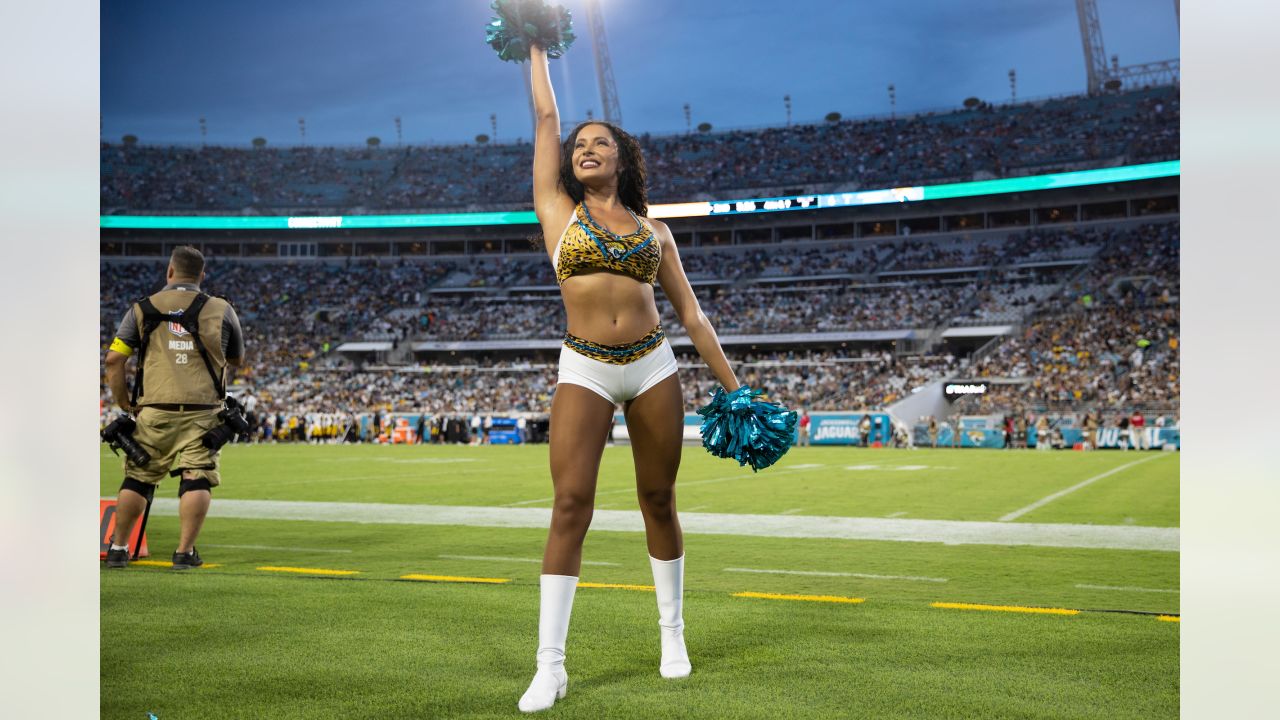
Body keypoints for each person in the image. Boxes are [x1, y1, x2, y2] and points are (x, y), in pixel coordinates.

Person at [516, 44, 741, 713]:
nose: (585, 148)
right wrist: (533, 43)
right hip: (584, 365)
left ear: (621, 157)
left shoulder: (656, 230)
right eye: (579, 144)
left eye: (599, 142)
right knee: (569, 504)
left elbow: (694, 316)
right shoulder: (557, 210)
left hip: (653, 366)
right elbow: (544, 114)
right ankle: (549, 666)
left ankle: (673, 636)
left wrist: (736, 389)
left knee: (659, 499)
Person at [102, 246, 244, 570]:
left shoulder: (141, 309)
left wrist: (125, 404)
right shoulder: (221, 309)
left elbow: (113, 360)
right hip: (204, 411)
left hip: (154, 409)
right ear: (202, 276)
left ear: (169, 271)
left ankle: (119, 548)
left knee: (139, 478)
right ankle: (184, 552)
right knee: (198, 477)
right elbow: (236, 359)